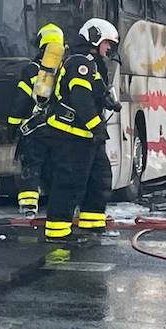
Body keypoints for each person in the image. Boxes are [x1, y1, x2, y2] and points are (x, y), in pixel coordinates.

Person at [43, 18, 119, 243]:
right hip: (69, 135)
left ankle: (92, 224)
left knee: (99, 178)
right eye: (106, 43)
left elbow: (95, 91)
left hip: (85, 137)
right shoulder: (79, 63)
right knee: (69, 183)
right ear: (94, 38)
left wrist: (108, 102)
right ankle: (57, 233)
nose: (108, 49)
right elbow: (80, 98)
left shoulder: (92, 63)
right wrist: (97, 126)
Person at [8, 23, 64, 215]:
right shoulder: (66, 69)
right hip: (60, 129)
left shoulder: (32, 70)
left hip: (34, 130)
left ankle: (29, 206)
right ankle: (59, 206)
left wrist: (12, 125)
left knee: (31, 166)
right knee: (57, 166)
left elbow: (21, 100)